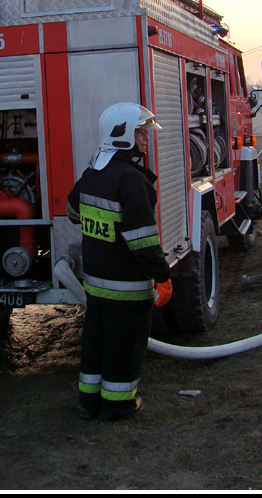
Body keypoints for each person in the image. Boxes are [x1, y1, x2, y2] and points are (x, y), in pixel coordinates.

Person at [67, 102, 173, 422]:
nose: (145, 139)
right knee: (123, 349)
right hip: (127, 288)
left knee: (95, 346)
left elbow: (74, 212)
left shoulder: (92, 172)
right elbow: (143, 242)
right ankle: (118, 406)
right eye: (141, 133)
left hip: (96, 285)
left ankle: (88, 404)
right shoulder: (131, 180)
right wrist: (163, 277)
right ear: (124, 134)